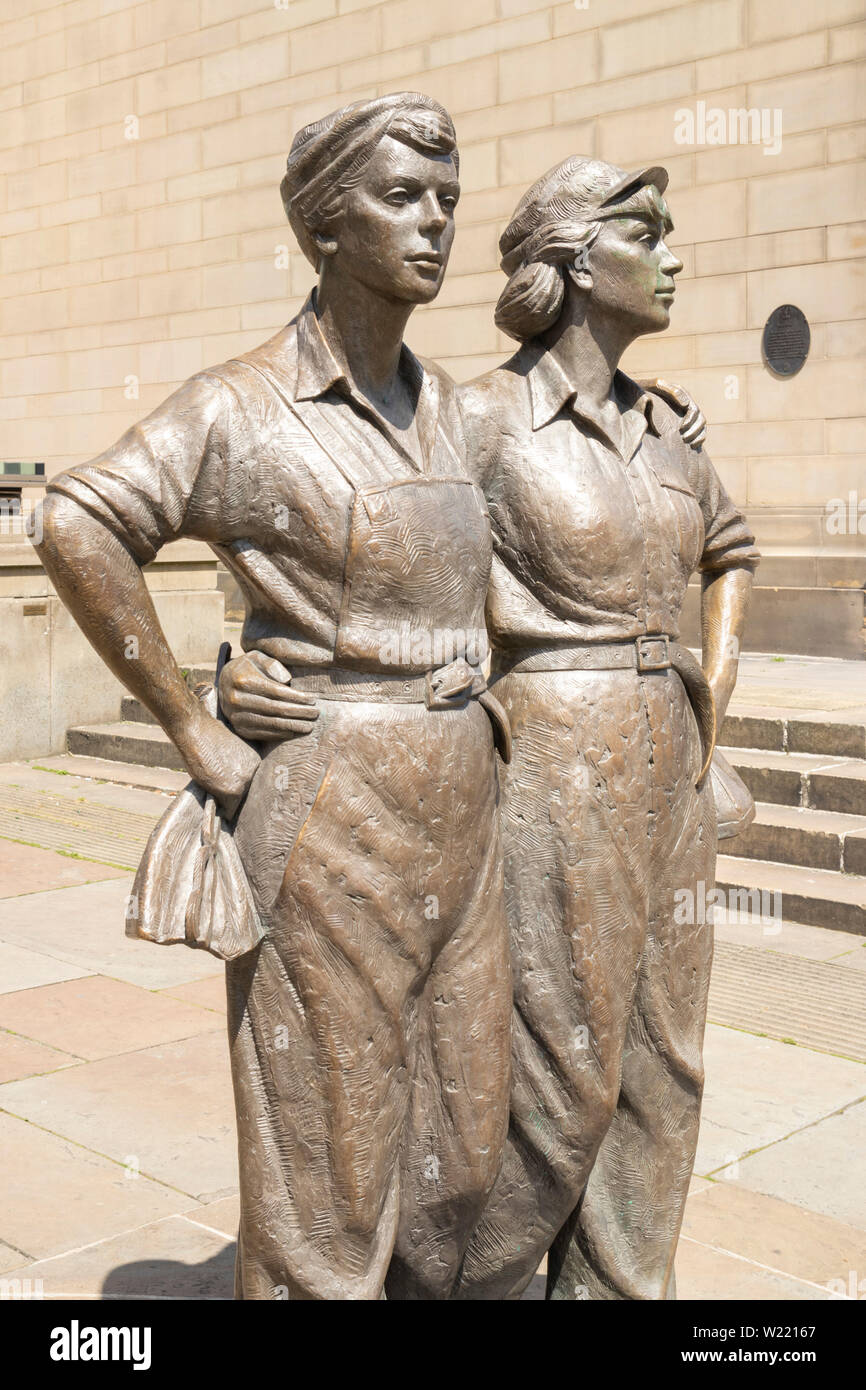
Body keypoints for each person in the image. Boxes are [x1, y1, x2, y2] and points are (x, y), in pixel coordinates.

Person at [33, 93, 513, 1301]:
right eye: (400, 196)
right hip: (330, 816)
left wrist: (645, 415)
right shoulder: (241, 405)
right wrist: (194, 718)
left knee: (462, 1155)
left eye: (447, 198)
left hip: (462, 807)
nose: (435, 223)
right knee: (327, 1170)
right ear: (321, 226)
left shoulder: (450, 403)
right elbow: (80, 520)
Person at [446, 158, 760, 1299]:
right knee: (557, 1071)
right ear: (581, 259)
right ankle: (460, 1281)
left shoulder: (670, 430)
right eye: (650, 234)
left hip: (666, 764)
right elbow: (370, 560)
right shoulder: (476, 418)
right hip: (548, 757)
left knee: (661, 1063)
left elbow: (728, 553)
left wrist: (707, 705)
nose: (675, 255)